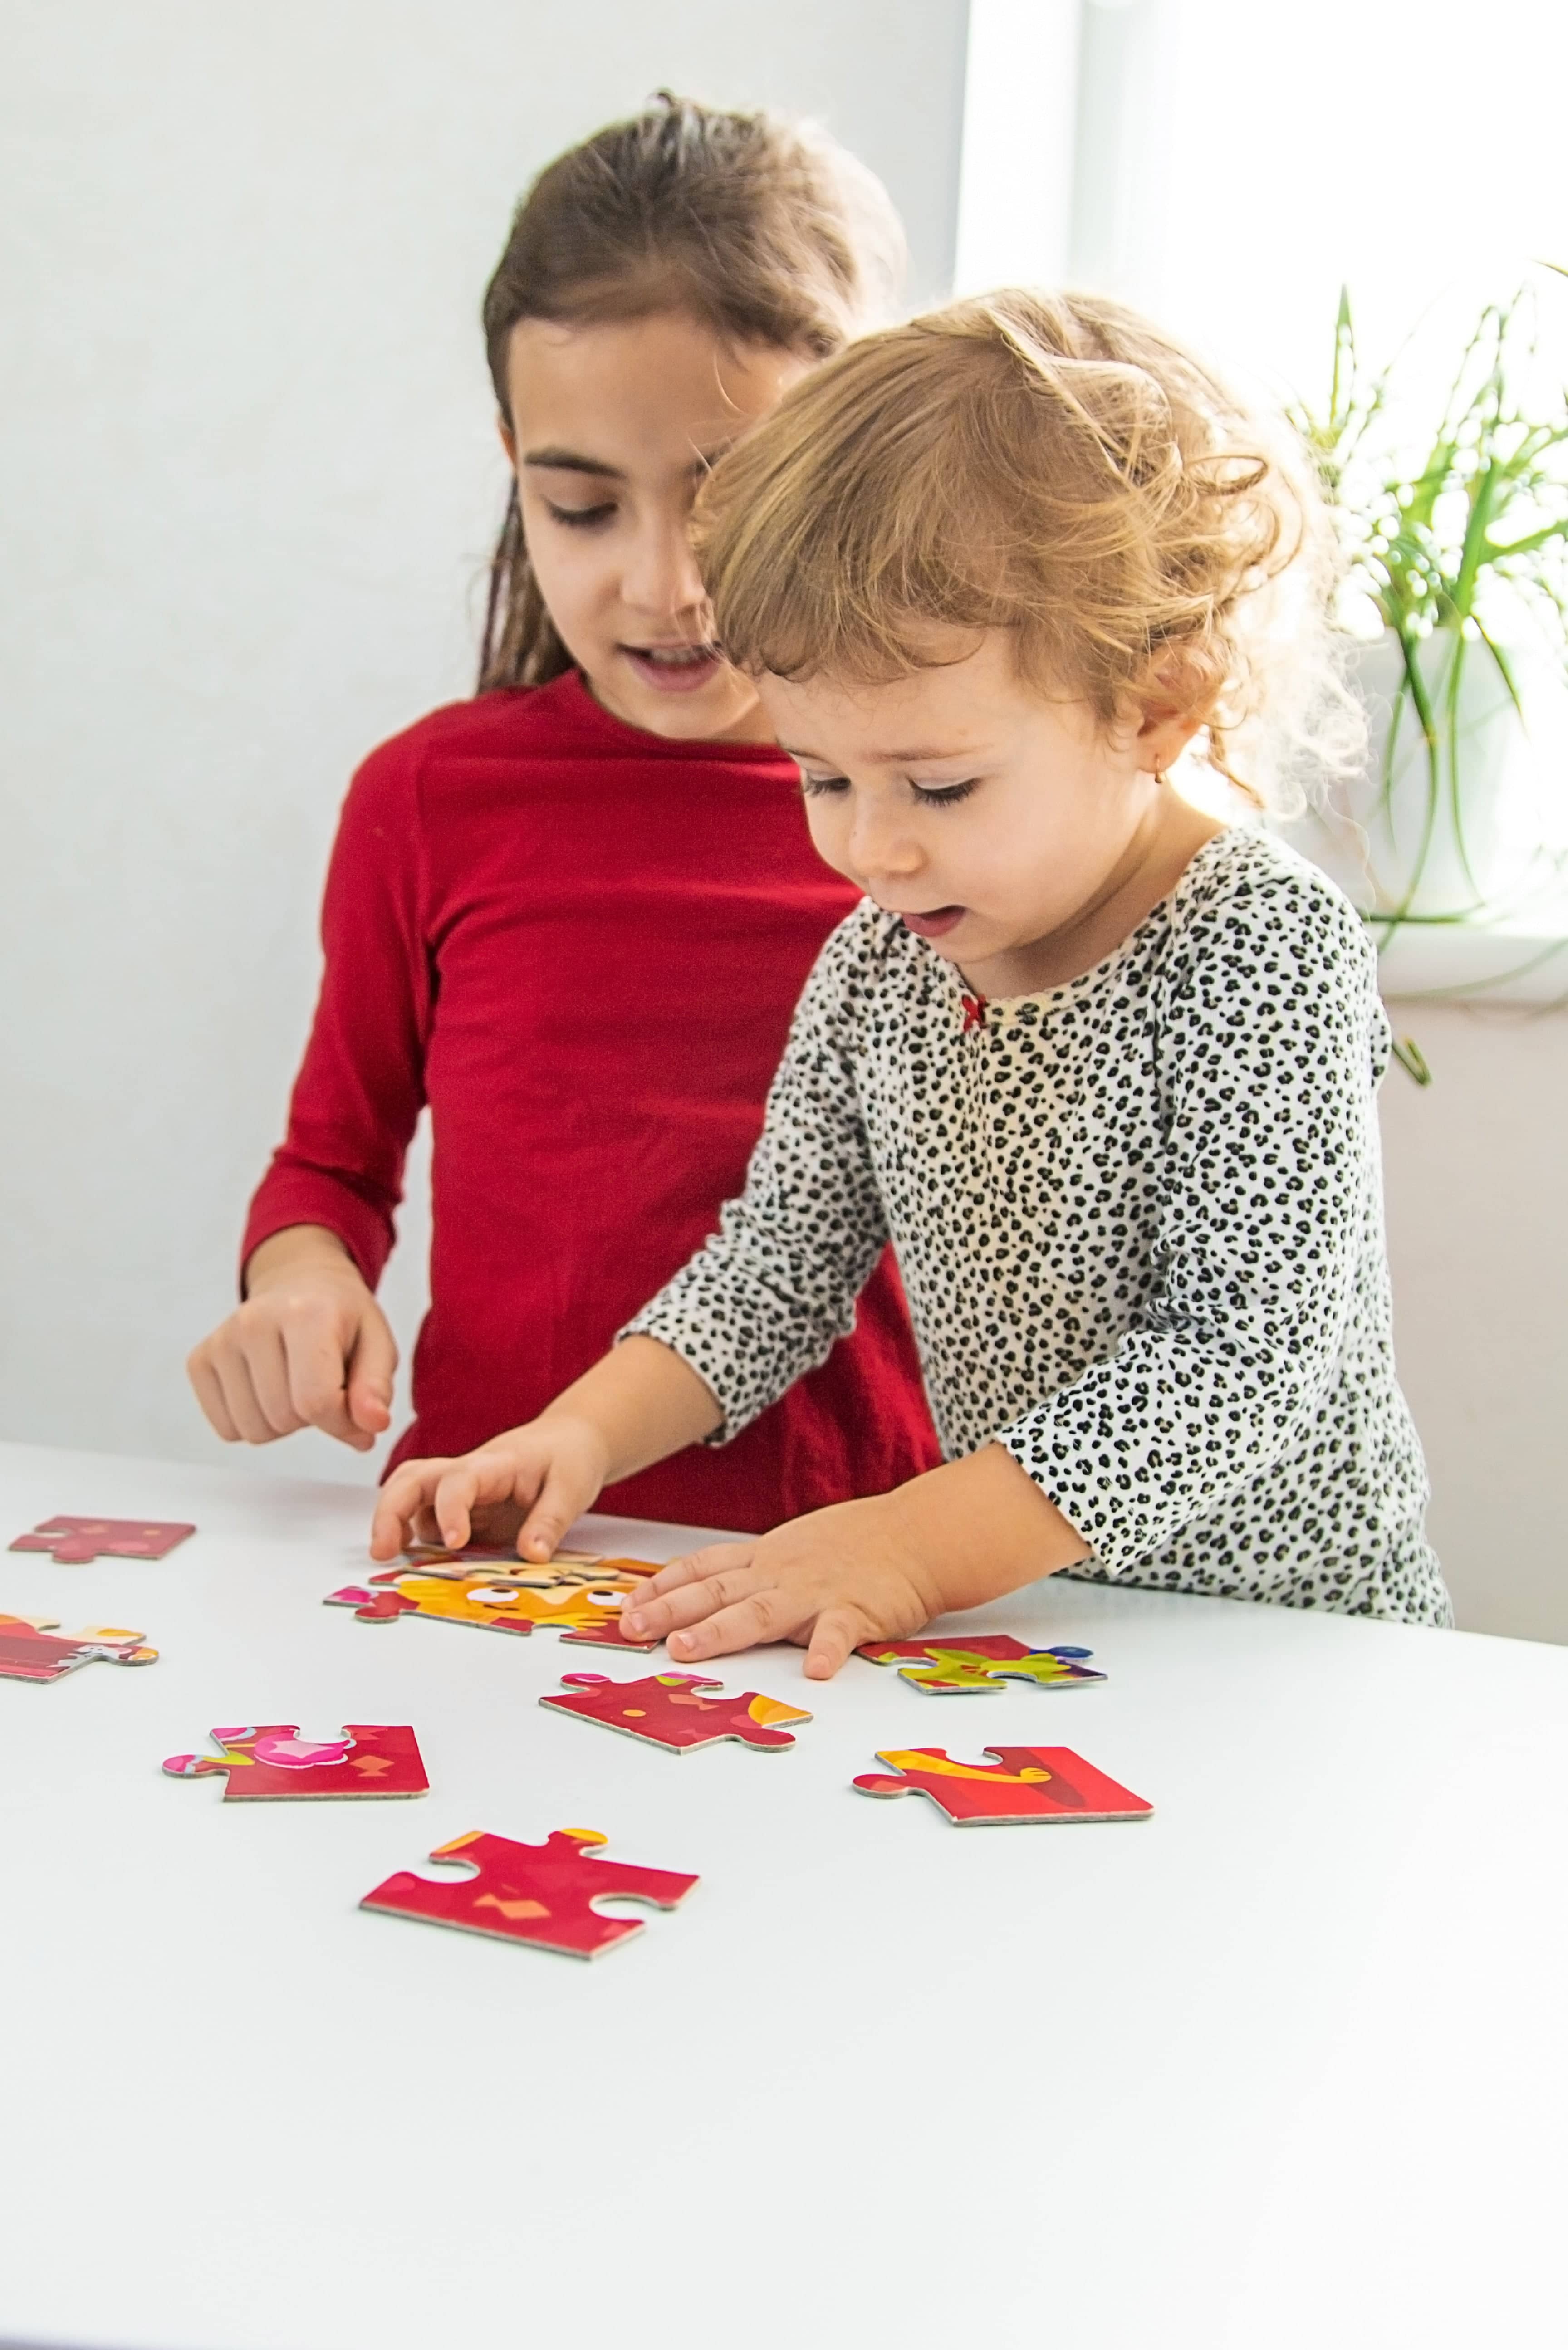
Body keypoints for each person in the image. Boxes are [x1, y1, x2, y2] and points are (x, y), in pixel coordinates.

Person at [372, 288, 1449, 1668]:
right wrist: (575, 1432)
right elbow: (774, 1270)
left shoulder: (1255, 944)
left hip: (1295, 1655)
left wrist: (910, 1541)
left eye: (938, 783)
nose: (870, 847)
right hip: (1043, 1635)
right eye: (822, 774)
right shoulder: (882, 966)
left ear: (1155, 708)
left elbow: (1241, 1362)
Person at [186, 95, 940, 1529]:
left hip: (865, 1581)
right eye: (584, 508)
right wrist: (301, 1281)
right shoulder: (427, 799)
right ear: (512, 461)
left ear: (852, 448)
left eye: (733, 498)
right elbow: (331, 1166)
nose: (665, 587)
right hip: (503, 1560)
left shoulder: (948, 809)